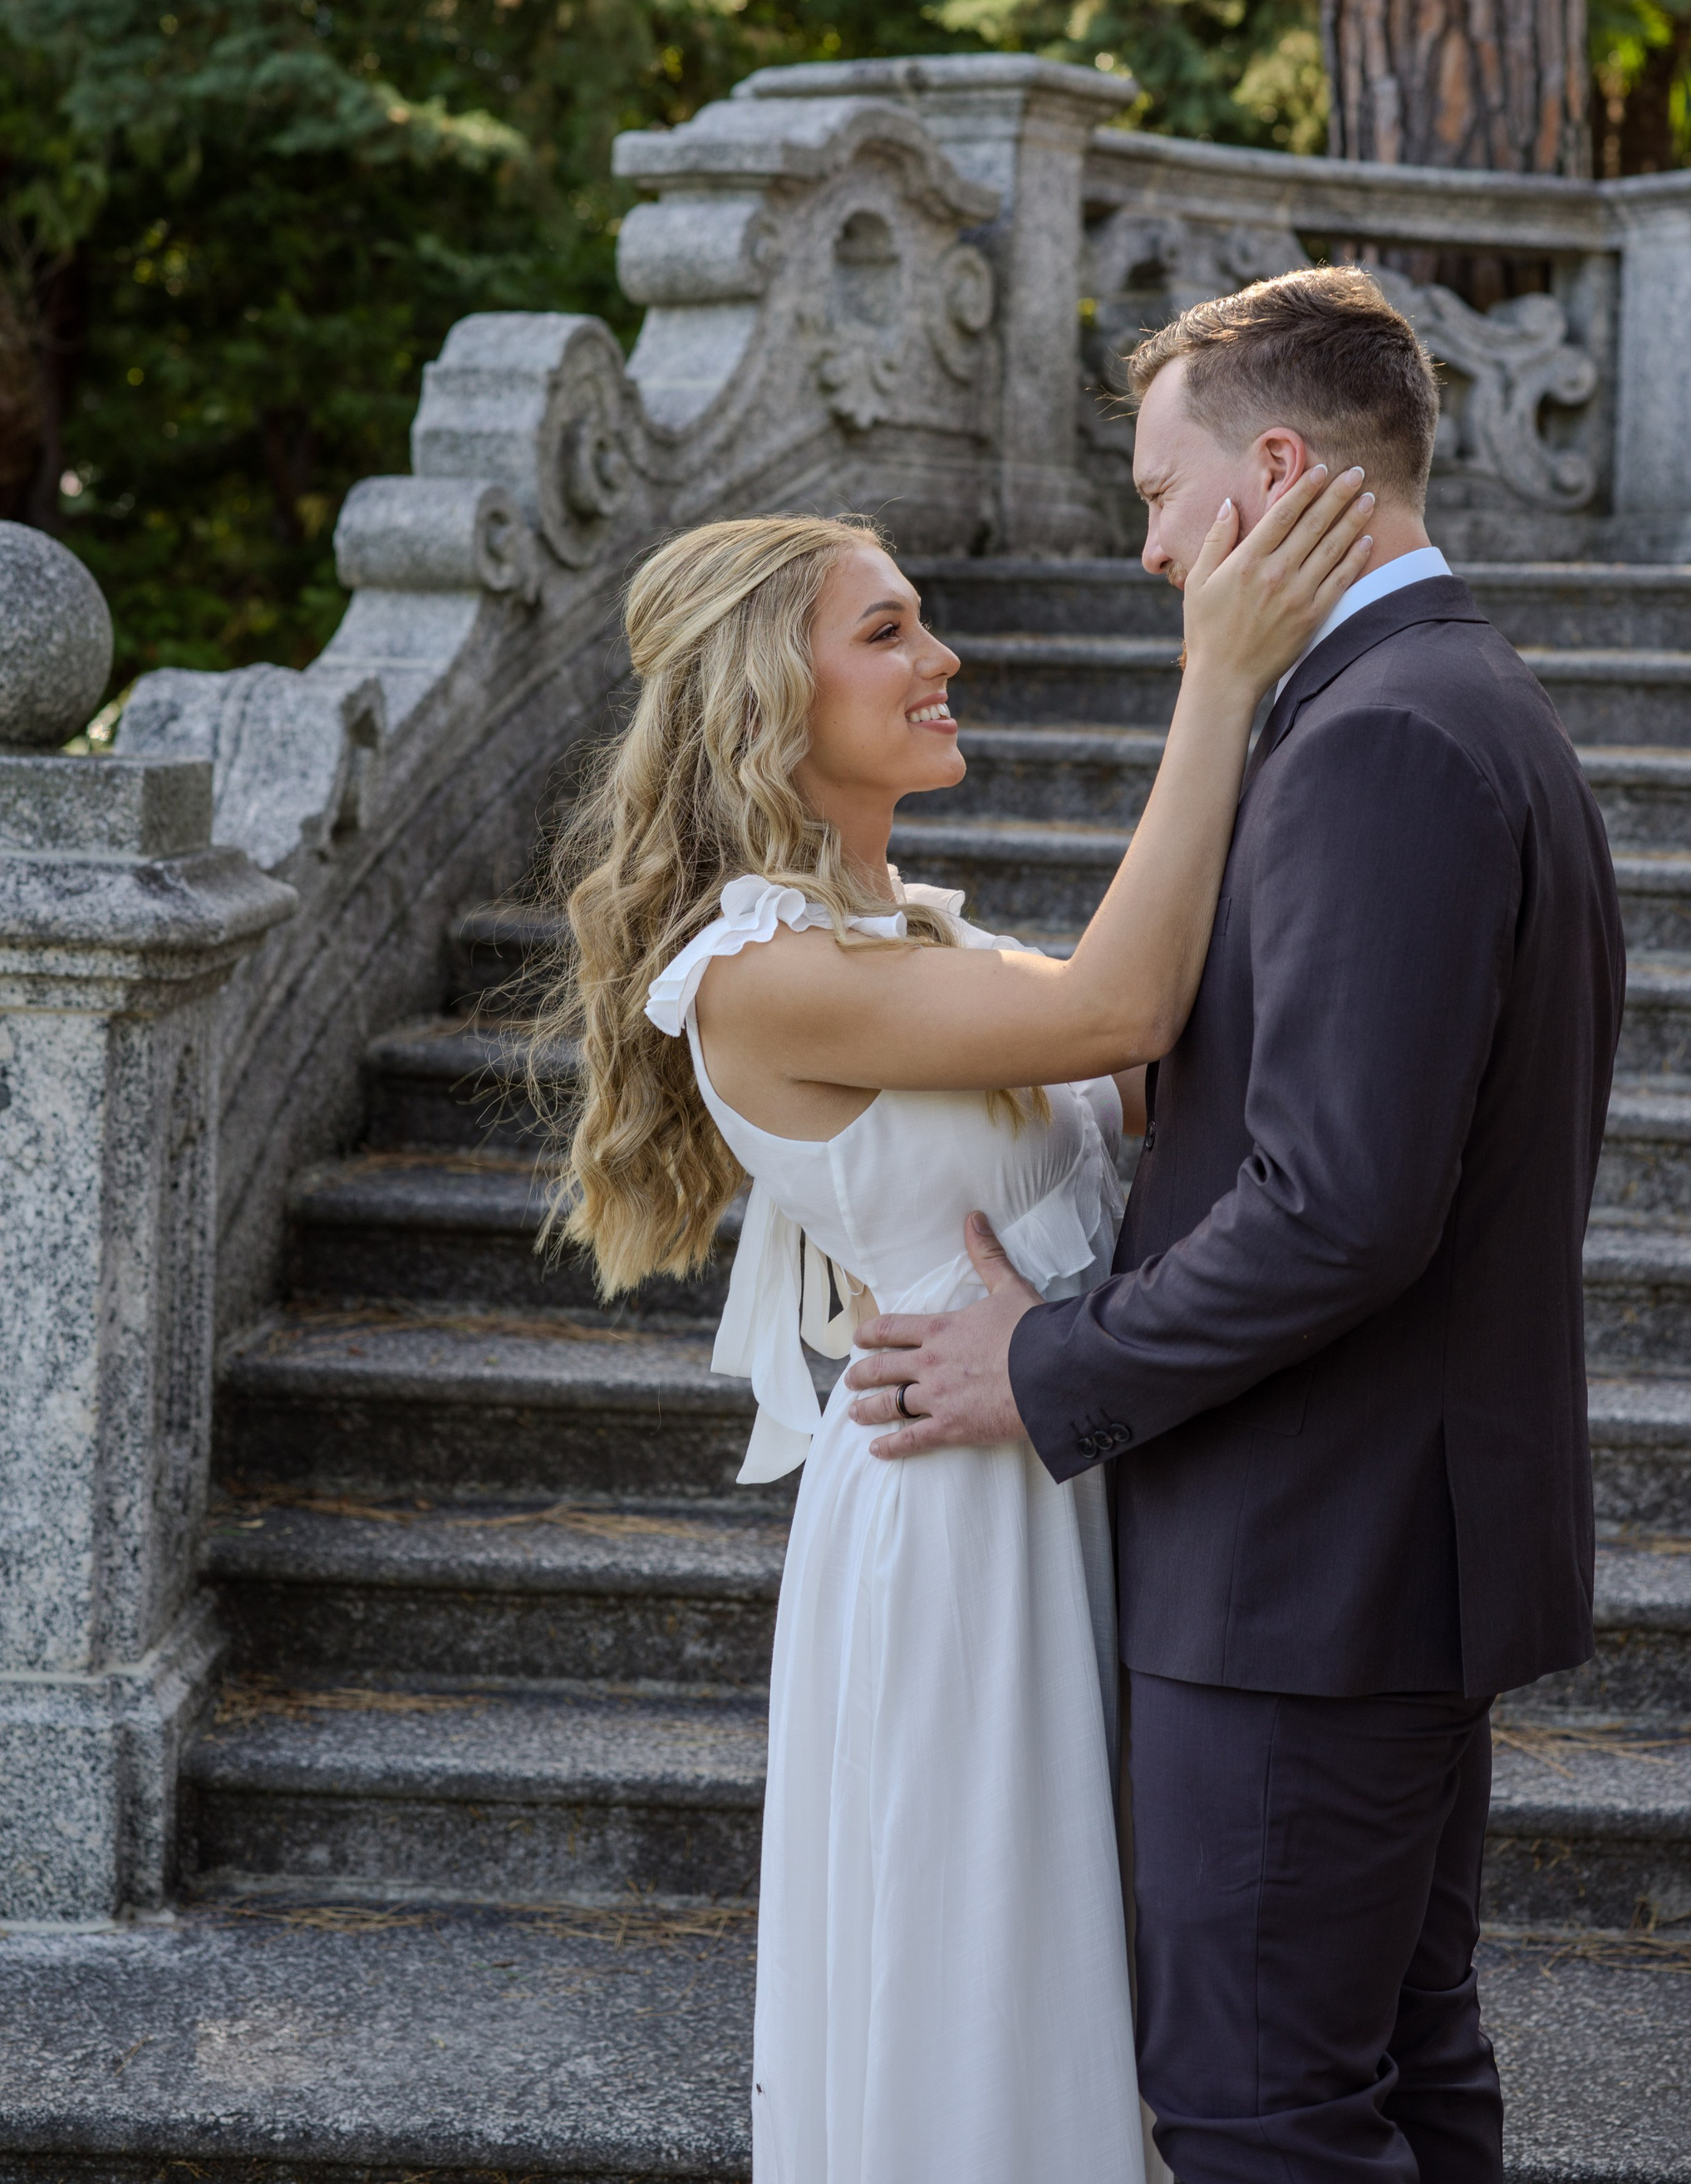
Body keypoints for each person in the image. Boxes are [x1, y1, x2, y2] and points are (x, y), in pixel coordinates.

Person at [844, 265, 1628, 2184]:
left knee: (1261, 2110)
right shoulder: (1456, 699)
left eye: (1156, 493)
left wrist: (1050, 1364)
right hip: (1383, 1551)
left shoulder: (1375, 735)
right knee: (1397, 2070)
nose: (1145, 546)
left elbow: (1338, 1206)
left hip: (1308, 1567)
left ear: (1274, 471)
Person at [544, 457, 1376, 2184]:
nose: (940, 655)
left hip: (1058, 1456)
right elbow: (1123, 1004)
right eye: (888, 628)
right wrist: (1218, 672)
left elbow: (1150, 1067)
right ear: (777, 696)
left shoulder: (906, 935)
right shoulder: (758, 969)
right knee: (980, 1971)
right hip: (949, 1516)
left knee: (1082, 1967)